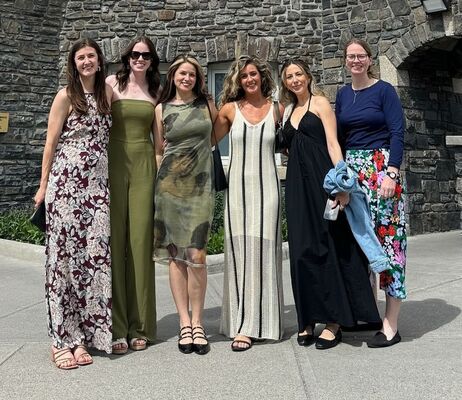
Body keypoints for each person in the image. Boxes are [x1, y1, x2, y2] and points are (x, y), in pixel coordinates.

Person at [280, 58, 381, 350]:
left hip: (323, 183)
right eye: (289, 76)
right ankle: (307, 318)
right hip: (297, 186)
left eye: (299, 74)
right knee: (301, 250)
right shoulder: (286, 110)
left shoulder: (321, 103)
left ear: (308, 76)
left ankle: (334, 322)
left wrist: (343, 185)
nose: (295, 79)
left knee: (329, 246)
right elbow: (288, 147)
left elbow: (334, 145)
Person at [33, 38, 113, 369]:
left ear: (99, 60)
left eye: (91, 55)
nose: (86, 61)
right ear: (74, 63)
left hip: (97, 189)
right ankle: (61, 340)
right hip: (66, 187)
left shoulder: (108, 94)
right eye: (81, 57)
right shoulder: (65, 96)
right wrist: (42, 187)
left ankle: (85, 337)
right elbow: (50, 143)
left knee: (93, 261)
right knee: (63, 263)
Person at [335, 38, 406, 348]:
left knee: (389, 243)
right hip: (354, 173)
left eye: (361, 56)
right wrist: (341, 182)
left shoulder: (384, 91)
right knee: (358, 242)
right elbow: (339, 139)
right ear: (345, 60)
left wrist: (392, 171)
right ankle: (367, 313)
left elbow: (397, 132)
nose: (356, 61)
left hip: (381, 169)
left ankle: (391, 324)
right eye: (351, 56)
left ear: (369, 59)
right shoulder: (342, 95)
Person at [214, 55, 284, 351]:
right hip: (237, 192)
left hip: (268, 190)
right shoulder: (230, 110)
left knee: (265, 252)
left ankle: (264, 322)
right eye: (243, 76)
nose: (249, 79)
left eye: (253, 74)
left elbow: (295, 143)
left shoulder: (278, 109)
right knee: (240, 253)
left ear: (262, 77)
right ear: (238, 81)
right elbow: (207, 141)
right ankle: (241, 323)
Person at [153, 54, 216, 355]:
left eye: (192, 74)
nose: (187, 78)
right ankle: (184, 323)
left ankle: (199, 322)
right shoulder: (161, 109)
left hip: (200, 188)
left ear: (197, 78)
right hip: (169, 189)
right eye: (182, 73)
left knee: (197, 255)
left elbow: (216, 137)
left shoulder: (207, 105)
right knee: (176, 256)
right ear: (173, 77)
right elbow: (158, 150)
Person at [106, 36, 161, 354]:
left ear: (152, 61)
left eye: (146, 55)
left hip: (143, 167)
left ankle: (140, 326)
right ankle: (116, 327)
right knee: (115, 243)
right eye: (135, 54)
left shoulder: (156, 91)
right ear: (127, 57)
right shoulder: (110, 84)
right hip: (112, 163)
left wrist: (158, 179)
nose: (140, 59)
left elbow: (159, 144)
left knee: (140, 244)